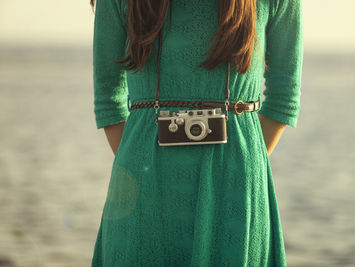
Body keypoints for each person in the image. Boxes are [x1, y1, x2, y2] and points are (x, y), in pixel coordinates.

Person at [89, 0, 303, 266]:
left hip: (237, 185)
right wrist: (140, 167)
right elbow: (108, 99)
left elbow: (284, 99)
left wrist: (239, 164)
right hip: (143, 184)